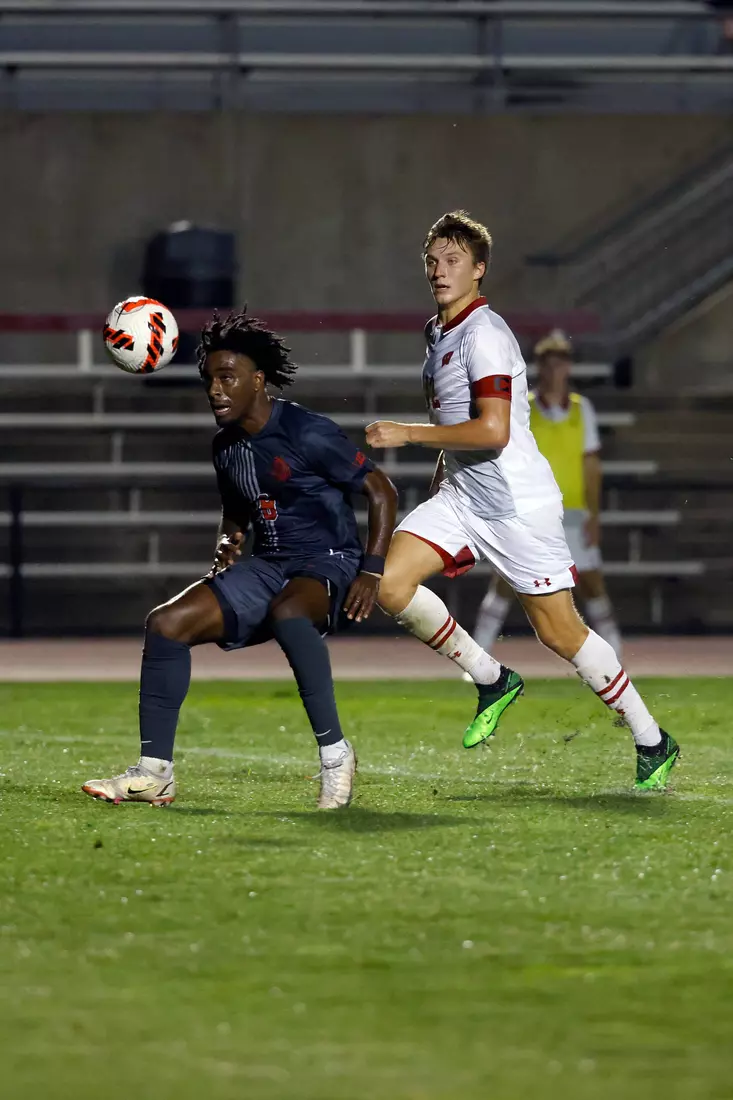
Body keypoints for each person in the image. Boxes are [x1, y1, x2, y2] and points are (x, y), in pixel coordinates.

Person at [366, 210, 679, 790]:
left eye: (453, 260)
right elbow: (455, 416)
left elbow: (493, 430)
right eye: (432, 261)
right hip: (464, 496)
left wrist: (407, 434)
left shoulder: (485, 335)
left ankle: (652, 739)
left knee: (560, 634)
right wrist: (441, 469)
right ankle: (492, 678)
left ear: (479, 269)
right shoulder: (437, 331)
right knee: (389, 583)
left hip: (517, 506)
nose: (439, 270)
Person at [83, 308, 398, 809]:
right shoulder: (225, 446)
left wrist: (371, 570)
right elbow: (237, 508)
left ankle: (336, 757)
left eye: (227, 378)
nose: (215, 390)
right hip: (269, 564)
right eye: (209, 379)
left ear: (258, 380)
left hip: (329, 561)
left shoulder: (307, 431)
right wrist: (228, 543)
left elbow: (382, 491)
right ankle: (154, 773)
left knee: (290, 614)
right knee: (165, 624)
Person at [471, 329, 622, 660]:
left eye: (560, 363)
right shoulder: (522, 408)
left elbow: (591, 466)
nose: (555, 371)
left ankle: (616, 655)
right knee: (505, 581)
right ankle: (477, 656)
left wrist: (595, 516)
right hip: (530, 511)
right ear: (539, 367)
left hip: (573, 512)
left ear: (568, 368)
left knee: (591, 584)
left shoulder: (582, 410)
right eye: (549, 364)